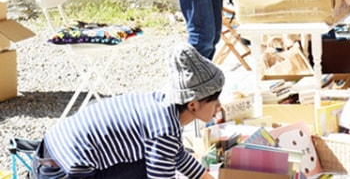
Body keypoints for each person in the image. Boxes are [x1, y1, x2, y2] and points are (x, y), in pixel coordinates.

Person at [36, 43, 225, 179]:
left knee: (156, 158)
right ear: (192, 104)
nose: (219, 106)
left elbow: (177, 155)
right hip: (59, 170)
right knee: (145, 166)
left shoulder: (162, 105)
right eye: (214, 100)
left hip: (50, 150)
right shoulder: (164, 129)